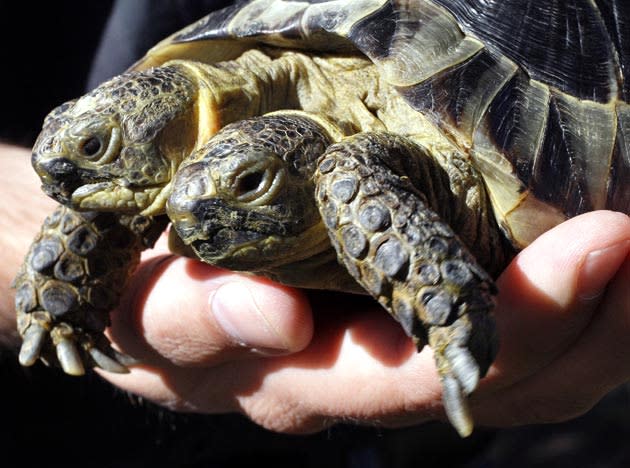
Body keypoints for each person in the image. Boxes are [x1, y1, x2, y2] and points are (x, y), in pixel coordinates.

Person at [1, 1, 629, 466]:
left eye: (97, 147)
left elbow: (349, 174)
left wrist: (440, 298)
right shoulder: (177, 146)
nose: (192, 212)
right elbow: (115, 197)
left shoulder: (350, 168)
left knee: (350, 173)